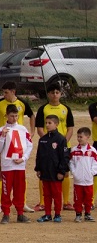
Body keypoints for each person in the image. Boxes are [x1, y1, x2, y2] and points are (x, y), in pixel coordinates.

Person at [0, 81, 35, 214]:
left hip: (19, 142)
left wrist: (31, 132)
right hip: (5, 140)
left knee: (20, 175)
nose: (4, 95)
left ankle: (22, 202)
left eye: (6, 92)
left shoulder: (21, 103)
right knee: (1, 171)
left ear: (13, 92)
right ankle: (0, 203)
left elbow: (32, 115)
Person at [34, 83, 75, 212]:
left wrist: (62, 142)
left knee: (65, 172)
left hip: (63, 145)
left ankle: (66, 201)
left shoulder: (66, 108)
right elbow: (40, 128)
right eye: (52, 92)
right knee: (45, 172)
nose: (55, 94)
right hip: (47, 147)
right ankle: (42, 202)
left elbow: (70, 128)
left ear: (61, 94)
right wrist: (47, 142)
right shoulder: (43, 109)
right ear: (48, 94)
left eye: (57, 92)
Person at [34, 115, 70, 223]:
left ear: (56, 124)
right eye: (46, 123)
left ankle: (58, 214)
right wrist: (38, 169)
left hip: (56, 173)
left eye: (50, 123)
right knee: (47, 194)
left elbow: (64, 157)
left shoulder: (61, 139)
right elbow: (39, 155)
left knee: (57, 194)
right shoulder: (42, 140)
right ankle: (47, 214)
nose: (47, 125)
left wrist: (61, 171)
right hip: (45, 172)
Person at [69, 127, 97, 222]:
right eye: (78, 137)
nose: (79, 139)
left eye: (81, 137)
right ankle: (78, 214)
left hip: (89, 181)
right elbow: (71, 163)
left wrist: (91, 172)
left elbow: (95, 164)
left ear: (87, 137)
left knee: (88, 198)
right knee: (78, 199)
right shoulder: (74, 150)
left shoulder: (93, 151)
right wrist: (74, 172)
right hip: (78, 181)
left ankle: (88, 214)